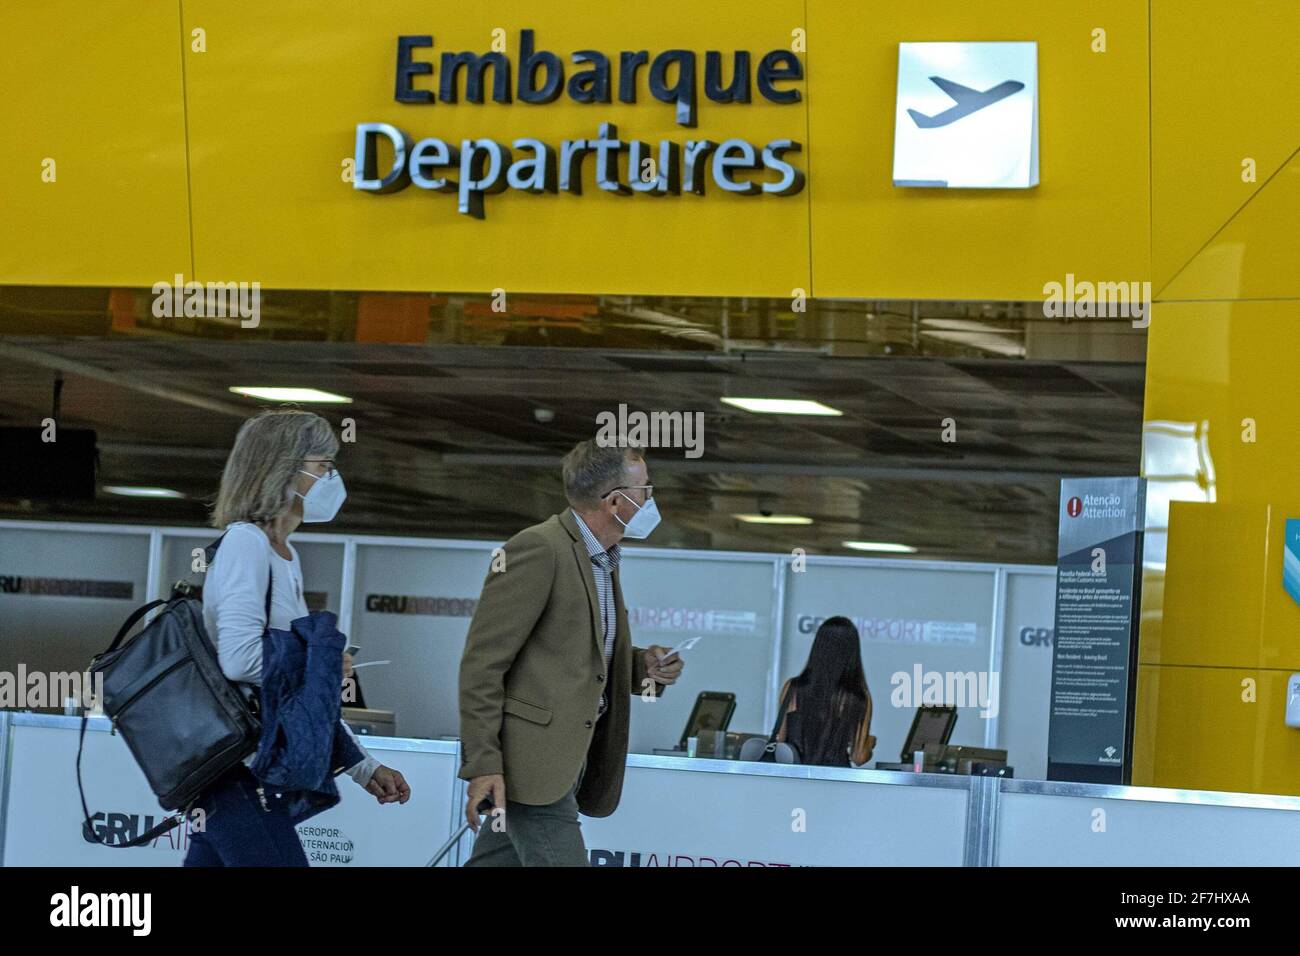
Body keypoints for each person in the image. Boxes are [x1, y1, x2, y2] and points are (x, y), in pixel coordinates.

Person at [184, 408, 411, 867]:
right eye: (323, 465)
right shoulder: (246, 543)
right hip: (240, 772)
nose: (331, 478)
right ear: (281, 469)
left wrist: (362, 765)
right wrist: (321, 660)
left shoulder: (283, 554)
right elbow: (240, 659)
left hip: (249, 770)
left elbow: (295, 690)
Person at [458, 439, 684, 866]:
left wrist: (644, 668)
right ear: (615, 500)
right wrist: (483, 763)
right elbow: (482, 664)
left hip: (568, 760)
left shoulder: (603, 559)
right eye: (645, 491)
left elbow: (582, 657)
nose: (651, 499)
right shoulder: (539, 549)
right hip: (531, 765)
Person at [775, 616, 875, 767]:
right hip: (835, 781)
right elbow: (859, 757)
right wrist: (870, 743)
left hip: (794, 778)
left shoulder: (793, 688)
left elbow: (780, 742)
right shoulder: (857, 697)